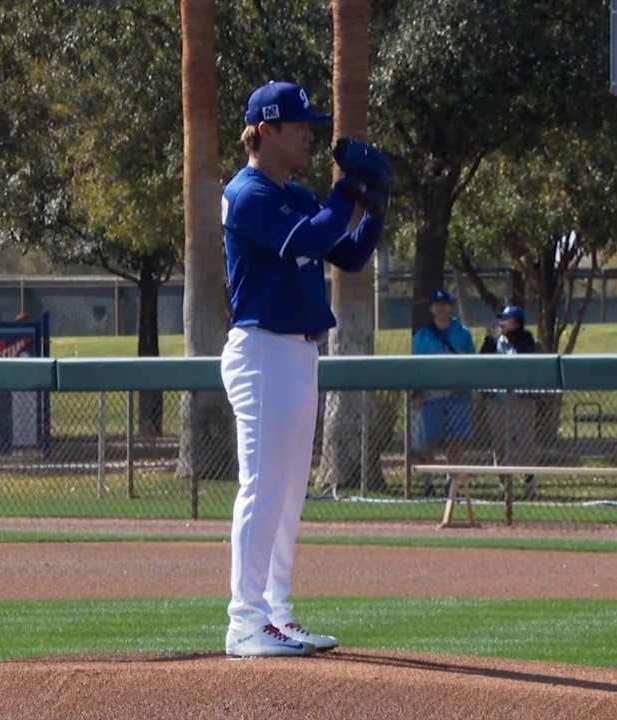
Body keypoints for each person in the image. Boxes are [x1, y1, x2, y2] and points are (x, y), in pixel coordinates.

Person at [220, 80, 387, 658]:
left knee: (289, 492)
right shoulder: (248, 194)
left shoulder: (295, 194)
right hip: (262, 350)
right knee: (264, 487)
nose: (311, 134)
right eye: (299, 125)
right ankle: (245, 620)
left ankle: (276, 613)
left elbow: (349, 253)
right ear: (265, 130)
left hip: (296, 352)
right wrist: (346, 191)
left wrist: (375, 210)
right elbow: (314, 236)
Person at [411, 290, 475, 497]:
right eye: (437, 304)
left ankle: (452, 481)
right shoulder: (422, 335)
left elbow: (472, 361)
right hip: (431, 395)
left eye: (445, 304)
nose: (441, 308)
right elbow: (415, 366)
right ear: (431, 308)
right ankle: (428, 482)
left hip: (458, 394)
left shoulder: (463, 332)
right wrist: (417, 393)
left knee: (456, 440)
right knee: (429, 441)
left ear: (450, 307)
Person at [479, 305, 540, 500]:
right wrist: (489, 339)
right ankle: (504, 485)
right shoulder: (495, 343)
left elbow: (528, 358)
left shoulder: (528, 342)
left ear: (516, 322)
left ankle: (529, 483)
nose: (502, 323)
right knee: (499, 444)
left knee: (525, 442)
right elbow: (481, 362)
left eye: (506, 320)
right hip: (497, 400)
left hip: (521, 400)